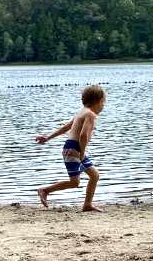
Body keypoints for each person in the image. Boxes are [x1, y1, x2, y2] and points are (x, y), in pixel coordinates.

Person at [35, 84, 106, 212]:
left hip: (73, 148)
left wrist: (47, 138)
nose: (103, 105)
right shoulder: (90, 115)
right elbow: (83, 135)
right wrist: (82, 153)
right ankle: (45, 190)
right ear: (98, 101)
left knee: (94, 175)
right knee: (75, 182)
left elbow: (66, 127)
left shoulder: (82, 112)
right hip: (75, 149)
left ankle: (87, 205)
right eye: (103, 102)